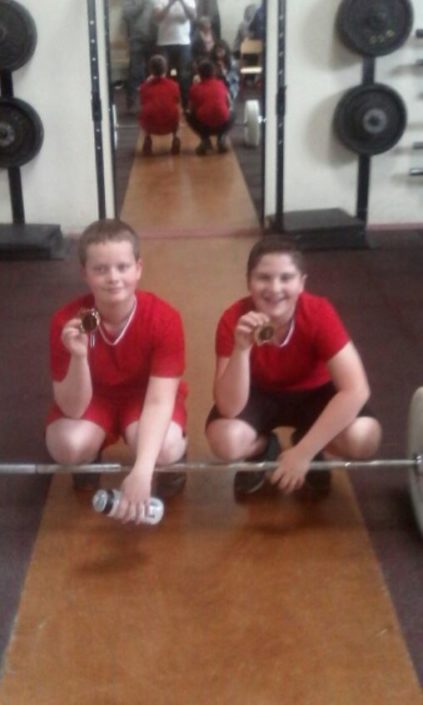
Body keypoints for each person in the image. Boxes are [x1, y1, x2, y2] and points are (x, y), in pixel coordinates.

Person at [206, 236, 382, 499]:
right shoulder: (233, 319)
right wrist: (241, 349)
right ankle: (264, 449)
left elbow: (356, 390)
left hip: (315, 395)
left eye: (286, 278)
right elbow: (229, 407)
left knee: (364, 438)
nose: (274, 288)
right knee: (225, 442)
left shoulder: (318, 313)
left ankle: (311, 442)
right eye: (263, 278)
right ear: (248, 281)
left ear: (301, 283)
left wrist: (305, 452)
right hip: (259, 394)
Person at [46, 219, 188, 524]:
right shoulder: (66, 321)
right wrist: (79, 357)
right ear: (84, 273)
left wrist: (142, 472)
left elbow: (160, 400)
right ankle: (89, 455)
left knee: (164, 448)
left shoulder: (164, 319)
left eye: (122, 267)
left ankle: (170, 464)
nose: (113, 278)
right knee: (67, 446)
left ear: (138, 268)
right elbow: (73, 408)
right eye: (100, 269)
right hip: (95, 398)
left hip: (144, 397)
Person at [186, 59, 235, 155]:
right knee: (233, 112)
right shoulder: (221, 84)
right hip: (223, 123)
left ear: (199, 74)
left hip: (204, 125)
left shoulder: (194, 88)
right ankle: (221, 137)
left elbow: (190, 109)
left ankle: (205, 139)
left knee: (188, 114)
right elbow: (230, 104)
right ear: (214, 72)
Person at [153, 0, 197, 108]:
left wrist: (182, 2)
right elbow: (157, 18)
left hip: (184, 42)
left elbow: (193, 16)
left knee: (184, 75)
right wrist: (170, 3)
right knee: (163, 75)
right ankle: (165, 104)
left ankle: (185, 105)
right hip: (164, 43)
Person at [139, 54, 181, 156]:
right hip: (170, 123)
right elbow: (177, 101)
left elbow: (143, 102)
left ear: (150, 70)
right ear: (166, 69)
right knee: (176, 109)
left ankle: (147, 137)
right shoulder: (174, 85)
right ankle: (175, 137)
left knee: (145, 110)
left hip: (151, 125)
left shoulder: (144, 87)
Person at [122, 0, 157, 111]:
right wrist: (141, 5)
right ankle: (131, 103)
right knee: (135, 71)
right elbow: (126, 14)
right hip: (136, 38)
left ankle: (151, 102)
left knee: (152, 72)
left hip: (154, 39)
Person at [209, 39, 240, 103]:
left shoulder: (231, 62)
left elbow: (234, 78)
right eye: (217, 51)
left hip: (229, 84)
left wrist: (225, 74)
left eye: (221, 51)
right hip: (215, 84)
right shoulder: (211, 61)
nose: (219, 54)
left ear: (225, 51)